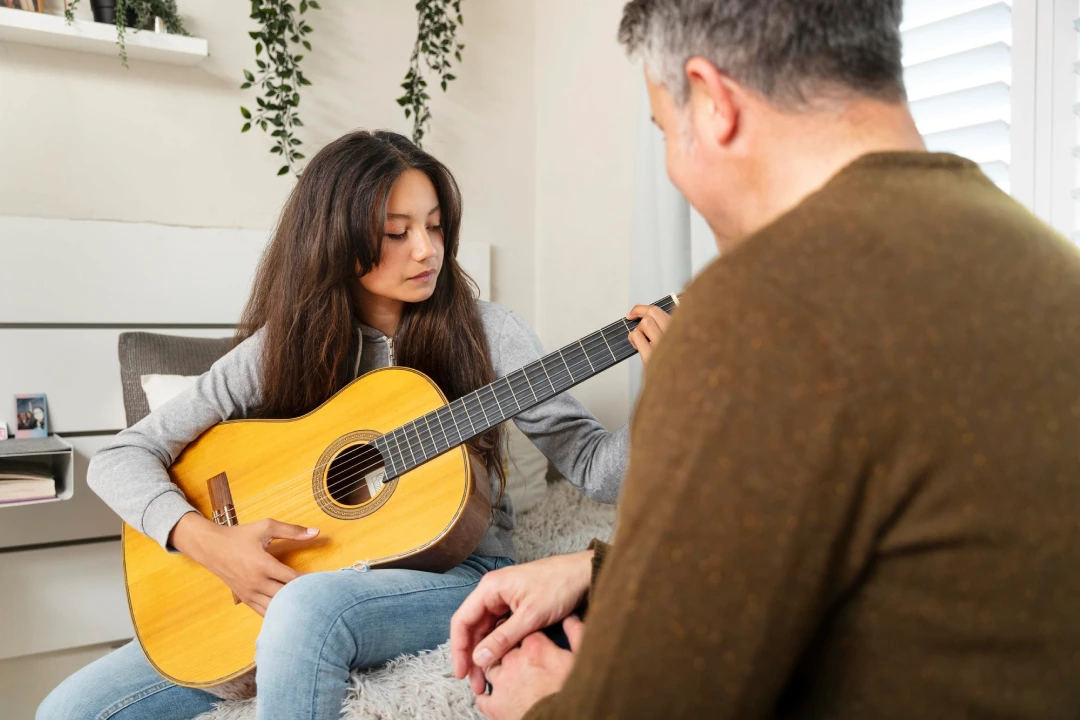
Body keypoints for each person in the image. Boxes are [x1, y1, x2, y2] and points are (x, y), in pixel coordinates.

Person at [450, 1, 1080, 718]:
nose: (673, 167)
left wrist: (543, 701)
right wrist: (598, 568)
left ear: (712, 100)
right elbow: (888, 544)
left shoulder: (754, 310)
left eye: (664, 130)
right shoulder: (1049, 267)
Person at [37, 130, 671, 720]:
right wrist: (210, 544)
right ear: (336, 241)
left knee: (305, 611)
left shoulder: (491, 334)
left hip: (454, 573)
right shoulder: (285, 343)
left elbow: (595, 470)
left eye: (435, 226)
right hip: (308, 569)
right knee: (63, 711)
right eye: (397, 232)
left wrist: (668, 394)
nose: (426, 250)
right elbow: (123, 455)